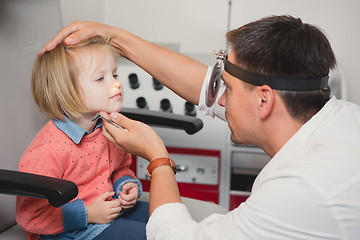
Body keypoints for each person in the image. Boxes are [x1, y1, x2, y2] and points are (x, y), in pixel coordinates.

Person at [41, 15, 360, 239]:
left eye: (229, 90)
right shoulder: (342, 118)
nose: (219, 101)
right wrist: (113, 36)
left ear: (264, 101)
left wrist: (157, 158)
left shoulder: (301, 189)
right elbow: (208, 90)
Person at [17, 36, 148, 240]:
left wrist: (125, 185)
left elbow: (120, 168)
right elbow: (30, 216)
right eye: (100, 78)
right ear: (66, 91)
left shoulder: (107, 129)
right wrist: (88, 214)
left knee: (165, 219)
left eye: (114, 74)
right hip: (73, 232)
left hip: (110, 212)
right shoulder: (47, 150)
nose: (116, 84)